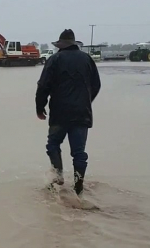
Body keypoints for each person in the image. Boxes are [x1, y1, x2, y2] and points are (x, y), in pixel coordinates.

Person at [35, 29, 101, 196]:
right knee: (79, 153)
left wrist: (39, 107)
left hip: (59, 113)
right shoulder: (87, 59)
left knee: (53, 145)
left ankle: (58, 177)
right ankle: (78, 188)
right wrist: (85, 101)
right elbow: (96, 85)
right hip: (82, 114)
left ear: (61, 45)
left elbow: (43, 86)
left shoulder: (55, 59)